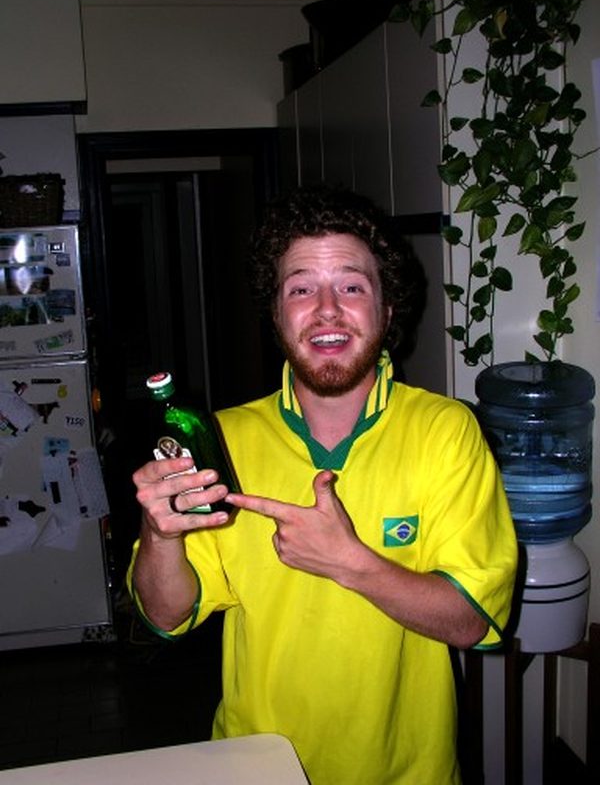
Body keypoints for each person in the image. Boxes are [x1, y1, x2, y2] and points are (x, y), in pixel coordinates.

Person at [128, 185, 518, 785]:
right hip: (258, 767)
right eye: (301, 288)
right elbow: (165, 613)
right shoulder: (221, 439)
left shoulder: (445, 430)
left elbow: (471, 622)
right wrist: (161, 536)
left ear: (388, 311)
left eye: (352, 287)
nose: (328, 309)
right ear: (277, 315)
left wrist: (349, 562)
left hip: (406, 773)